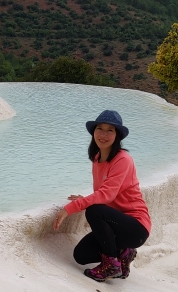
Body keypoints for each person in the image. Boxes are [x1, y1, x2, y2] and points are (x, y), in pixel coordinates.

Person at [52, 109, 151, 282]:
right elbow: (106, 192)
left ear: (117, 135)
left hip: (136, 227)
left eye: (110, 130)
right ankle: (124, 254)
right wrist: (85, 198)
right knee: (81, 255)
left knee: (94, 210)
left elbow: (106, 195)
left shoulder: (123, 159)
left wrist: (72, 208)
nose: (103, 134)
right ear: (93, 132)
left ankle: (111, 265)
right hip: (116, 225)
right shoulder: (97, 158)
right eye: (100, 128)